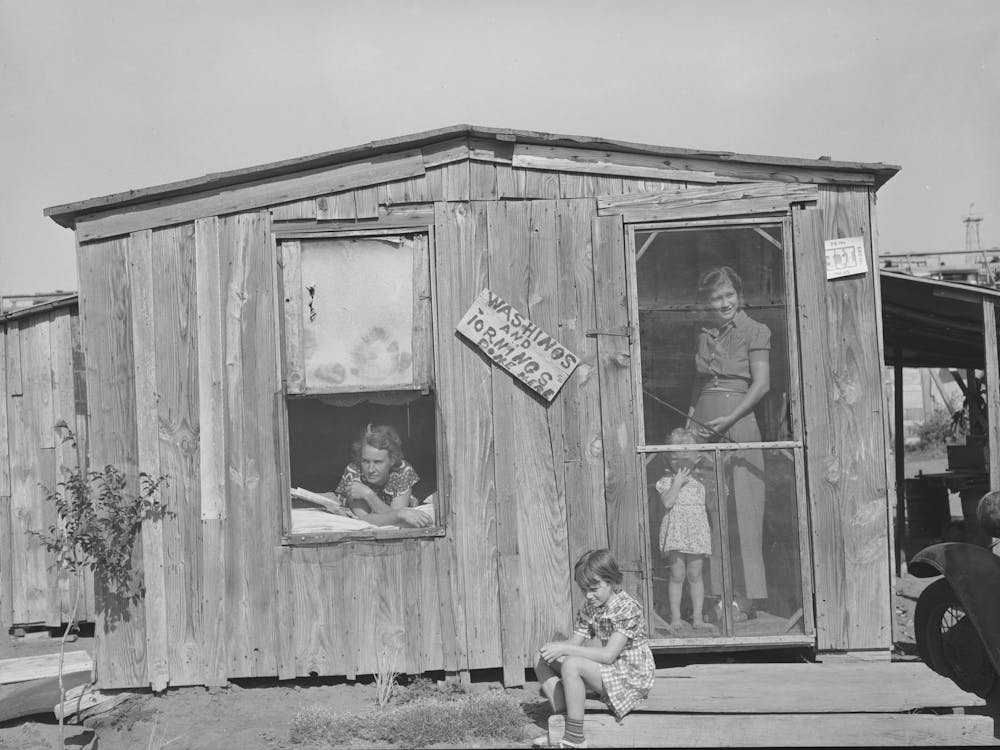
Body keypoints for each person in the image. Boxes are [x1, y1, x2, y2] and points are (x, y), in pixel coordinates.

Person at [689, 266, 769, 618]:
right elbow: (698, 383)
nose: (724, 303)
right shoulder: (704, 333)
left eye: (729, 295)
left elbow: (762, 384)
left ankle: (747, 598)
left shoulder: (756, 330)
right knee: (708, 511)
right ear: (706, 303)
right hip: (704, 424)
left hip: (739, 423)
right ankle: (719, 593)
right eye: (716, 298)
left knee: (745, 511)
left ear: (739, 294)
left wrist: (732, 418)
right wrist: (688, 426)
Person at [533, 549, 655, 749]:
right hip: (608, 669)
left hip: (630, 676)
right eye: (583, 589)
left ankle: (575, 738)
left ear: (613, 581)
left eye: (594, 588)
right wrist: (558, 649)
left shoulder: (627, 608)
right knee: (541, 657)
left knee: (572, 665)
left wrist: (564, 649)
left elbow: (608, 656)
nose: (588, 595)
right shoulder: (591, 606)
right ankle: (561, 726)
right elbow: (574, 644)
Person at [656, 428, 712, 631]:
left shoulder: (702, 482)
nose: (680, 460)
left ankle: (697, 618)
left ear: (696, 457)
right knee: (677, 575)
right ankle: (676, 618)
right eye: (675, 456)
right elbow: (668, 502)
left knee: (695, 575)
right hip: (677, 533)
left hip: (696, 532)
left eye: (686, 455)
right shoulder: (666, 482)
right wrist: (677, 483)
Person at [332, 423, 432, 528]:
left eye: (378, 462)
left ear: (392, 460)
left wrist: (368, 495)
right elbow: (365, 520)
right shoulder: (353, 471)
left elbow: (398, 519)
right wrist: (400, 514)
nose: (370, 469)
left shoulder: (403, 471)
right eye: (365, 461)